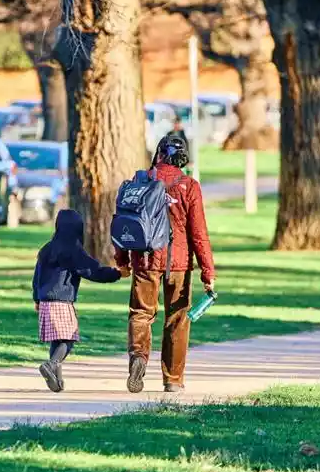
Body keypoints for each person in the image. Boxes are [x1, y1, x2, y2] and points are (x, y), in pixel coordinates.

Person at [116, 133, 215, 394]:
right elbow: (198, 233)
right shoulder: (189, 186)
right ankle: (172, 379)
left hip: (144, 259)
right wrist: (208, 271)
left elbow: (123, 222)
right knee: (177, 318)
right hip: (179, 264)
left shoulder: (140, 181)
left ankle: (138, 356)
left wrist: (122, 260)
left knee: (141, 313)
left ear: (158, 153)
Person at [32, 209, 122, 392]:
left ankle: (57, 380)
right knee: (68, 338)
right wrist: (116, 274)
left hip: (45, 301)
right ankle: (52, 364)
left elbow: (37, 276)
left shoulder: (46, 249)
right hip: (62, 301)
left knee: (57, 340)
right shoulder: (72, 250)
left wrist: (36, 298)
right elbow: (92, 270)